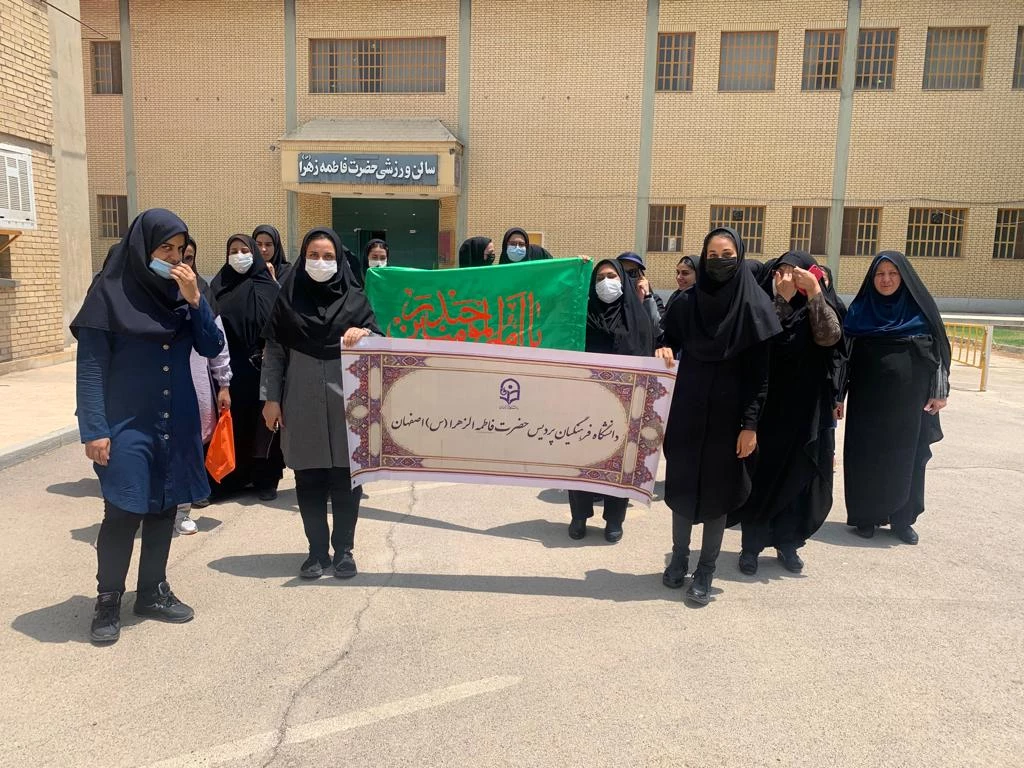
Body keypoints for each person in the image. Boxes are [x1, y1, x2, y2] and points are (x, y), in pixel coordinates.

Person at [71, 208, 225, 644]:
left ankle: (153, 591)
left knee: (164, 506)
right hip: (125, 422)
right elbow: (91, 367)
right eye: (165, 248)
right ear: (143, 248)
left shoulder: (186, 292)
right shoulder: (109, 292)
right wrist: (94, 430)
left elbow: (211, 345)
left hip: (176, 420)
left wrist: (195, 301)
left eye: (180, 249)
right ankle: (108, 599)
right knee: (123, 510)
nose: (174, 258)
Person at [656, 227, 781, 605]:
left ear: (739, 257)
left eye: (727, 255)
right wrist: (663, 347)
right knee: (681, 487)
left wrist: (750, 426)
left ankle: (705, 571)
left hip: (729, 421)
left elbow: (760, 378)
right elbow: (666, 337)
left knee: (717, 495)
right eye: (712, 255)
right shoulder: (686, 303)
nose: (719, 261)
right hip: (687, 413)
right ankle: (679, 558)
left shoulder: (754, 307)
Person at [261, 227, 382, 579]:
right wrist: (270, 399)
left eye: (328, 256)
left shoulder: (356, 300)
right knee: (309, 478)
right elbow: (274, 354)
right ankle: (316, 552)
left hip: (349, 405)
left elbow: (381, 342)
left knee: (346, 479)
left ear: (340, 260)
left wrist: (366, 334)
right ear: (302, 258)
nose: (320, 262)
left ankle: (344, 551)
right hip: (300, 401)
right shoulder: (288, 299)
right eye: (313, 255)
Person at [733, 252, 844, 575]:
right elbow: (761, 339)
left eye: (795, 273)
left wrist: (815, 293)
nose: (787, 279)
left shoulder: (816, 304)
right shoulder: (763, 305)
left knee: (798, 477)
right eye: (781, 272)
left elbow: (829, 337)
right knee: (762, 476)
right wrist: (780, 301)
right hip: (768, 408)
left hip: (806, 409)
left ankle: (788, 543)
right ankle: (751, 547)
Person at [840, 251, 950, 544]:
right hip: (867, 402)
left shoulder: (920, 312)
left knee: (906, 458)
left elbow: (938, 354)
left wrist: (939, 392)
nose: (886, 279)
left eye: (892, 273)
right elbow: (844, 358)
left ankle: (902, 520)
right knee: (866, 457)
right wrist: (838, 396)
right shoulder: (860, 312)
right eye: (880, 274)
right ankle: (865, 517)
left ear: (904, 277)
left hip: (910, 404)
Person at [568, 258, 657, 543]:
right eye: (599, 278)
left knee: (620, 460)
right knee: (581, 458)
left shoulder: (638, 319)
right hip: (585, 401)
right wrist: (576, 270)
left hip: (623, 404)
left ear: (623, 281)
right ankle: (579, 516)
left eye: (612, 276)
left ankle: (614, 519)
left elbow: (648, 357)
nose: (606, 282)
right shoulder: (581, 317)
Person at [208, 234, 284, 501]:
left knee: (264, 425)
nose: (239, 255)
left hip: (263, 369)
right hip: (230, 370)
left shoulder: (270, 287)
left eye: (244, 250)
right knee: (232, 425)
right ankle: (228, 481)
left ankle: (265, 480)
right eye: (234, 250)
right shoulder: (218, 287)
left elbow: (281, 327)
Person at [176, 238, 233, 530]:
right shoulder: (149, 292)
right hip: (157, 382)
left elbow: (217, 342)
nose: (181, 264)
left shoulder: (202, 292)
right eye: (175, 256)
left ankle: (183, 510)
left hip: (195, 379)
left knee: (192, 442)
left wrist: (223, 384)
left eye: (187, 257)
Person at [617, 251, 666, 318]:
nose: (626, 277)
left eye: (632, 272)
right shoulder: (614, 297)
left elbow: (658, 323)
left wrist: (646, 298)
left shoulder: (653, 299)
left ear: (640, 275)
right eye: (622, 272)